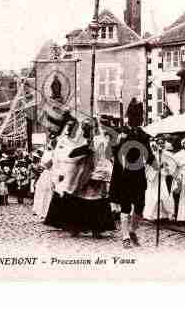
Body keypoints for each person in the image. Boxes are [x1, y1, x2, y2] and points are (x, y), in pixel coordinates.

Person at [46, 118, 115, 238]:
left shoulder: (100, 141)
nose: (87, 131)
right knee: (78, 199)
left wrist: (99, 173)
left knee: (96, 200)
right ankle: (76, 226)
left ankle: (96, 228)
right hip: (81, 174)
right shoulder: (82, 141)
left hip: (94, 174)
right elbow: (72, 154)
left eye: (89, 128)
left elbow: (103, 159)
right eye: (85, 129)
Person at [110, 99, 155, 248]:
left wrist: (157, 165)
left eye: (140, 116)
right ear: (130, 116)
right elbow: (111, 152)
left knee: (140, 207)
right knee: (125, 207)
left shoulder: (143, 135)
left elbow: (148, 155)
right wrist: (118, 142)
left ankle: (132, 230)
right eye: (136, 116)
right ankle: (125, 237)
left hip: (139, 175)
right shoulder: (120, 132)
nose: (139, 119)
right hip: (124, 175)